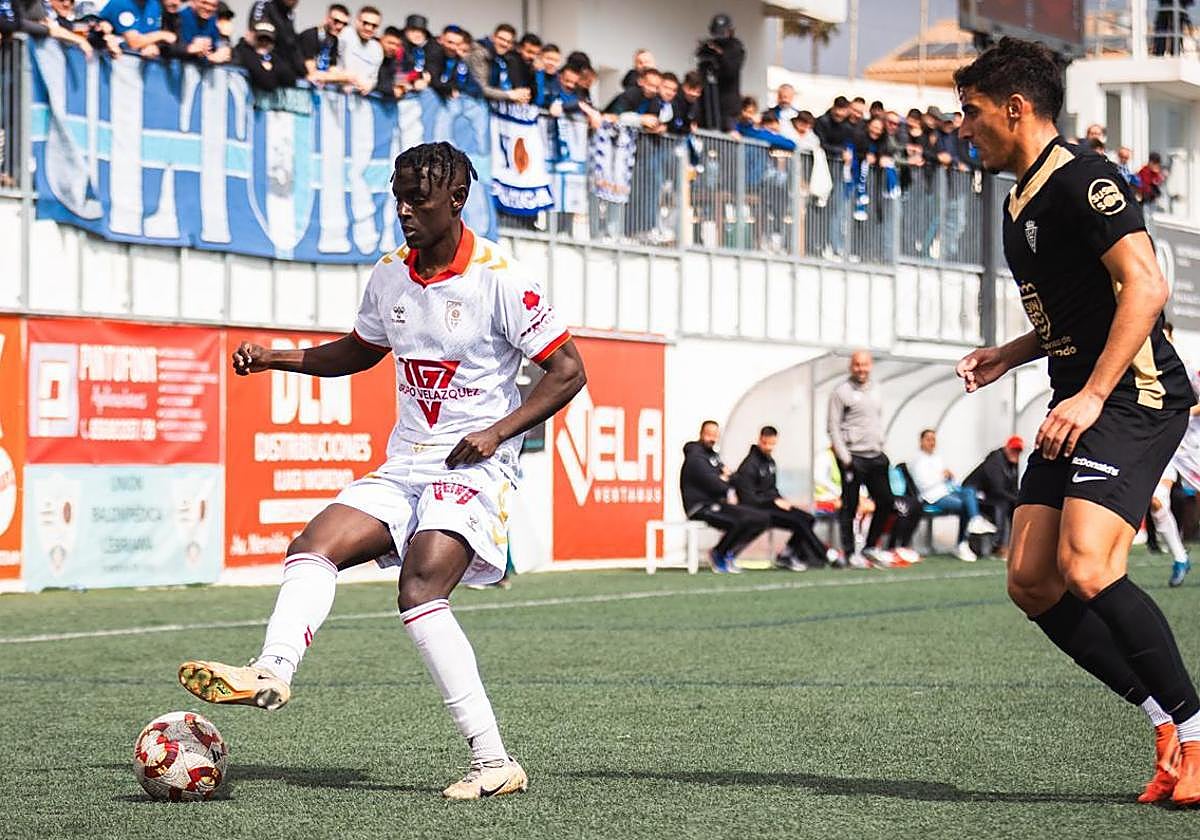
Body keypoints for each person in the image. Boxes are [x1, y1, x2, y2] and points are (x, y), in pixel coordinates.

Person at [178, 142, 586, 800]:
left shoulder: (501, 278)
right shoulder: (390, 274)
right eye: (397, 196)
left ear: (456, 200)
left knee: (420, 587)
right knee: (312, 545)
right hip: (407, 462)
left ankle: (493, 762)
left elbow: (569, 371)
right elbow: (360, 350)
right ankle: (271, 670)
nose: (405, 210)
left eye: (419, 199)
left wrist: (496, 433)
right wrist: (276, 357)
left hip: (473, 466)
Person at [954, 36, 1200, 805]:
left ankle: (1197, 734)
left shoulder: (1086, 178)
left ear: (1015, 109)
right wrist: (1011, 352)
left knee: (1090, 567)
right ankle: (1166, 719)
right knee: (1031, 580)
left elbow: (1145, 288)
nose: (966, 128)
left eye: (973, 113)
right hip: (1077, 395)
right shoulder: (1017, 199)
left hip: (1135, 394)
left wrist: (1092, 395)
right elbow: (1076, 310)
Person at [827, 350, 894, 567]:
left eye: (864, 365)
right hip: (853, 456)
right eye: (857, 365)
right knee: (850, 505)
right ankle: (849, 553)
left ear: (870, 365)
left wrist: (881, 444)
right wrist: (845, 458)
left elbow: (875, 420)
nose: (861, 369)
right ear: (851, 366)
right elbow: (833, 427)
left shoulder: (877, 389)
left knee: (886, 501)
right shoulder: (841, 392)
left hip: (875, 455)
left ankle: (871, 547)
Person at [733, 426, 833, 571]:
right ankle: (824, 554)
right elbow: (748, 499)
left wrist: (781, 500)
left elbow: (772, 489)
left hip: (771, 505)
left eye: (772, 444)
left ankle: (787, 554)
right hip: (758, 509)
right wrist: (772, 501)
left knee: (808, 518)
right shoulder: (749, 465)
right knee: (798, 521)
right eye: (766, 444)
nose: (769, 448)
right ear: (760, 440)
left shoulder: (770, 462)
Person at [680, 420, 770, 574]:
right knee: (741, 520)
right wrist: (724, 482)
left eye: (715, 435)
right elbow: (712, 482)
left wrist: (726, 478)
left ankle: (729, 553)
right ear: (701, 434)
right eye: (709, 435)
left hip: (716, 503)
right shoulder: (696, 457)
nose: (712, 439)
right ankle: (718, 553)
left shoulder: (713, 456)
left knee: (762, 518)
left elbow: (731, 477)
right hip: (700, 506)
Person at [908, 429, 997, 562]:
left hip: (946, 491)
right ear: (921, 441)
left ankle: (974, 521)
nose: (932, 442)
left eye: (933, 439)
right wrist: (941, 476)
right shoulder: (916, 460)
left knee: (970, 491)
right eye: (928, 439)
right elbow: (923, 484)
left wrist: (949, 477)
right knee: (965, 505)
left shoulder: (937, 458)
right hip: (931, 496)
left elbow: (947, 480)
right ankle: (962, 542)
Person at [963, 435, 1023, 556]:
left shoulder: (1012, 464)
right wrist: (1015, 499)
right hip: (977, 496)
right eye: (1013, 449)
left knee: (1016, 506)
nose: (1016, 453)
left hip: (993, 496)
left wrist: (1020, 499)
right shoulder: (995, 461)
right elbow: (997, 489)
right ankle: (999, 546)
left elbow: (1013, 488)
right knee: (1002, 505)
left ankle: (1016, 544)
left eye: (1018, 451)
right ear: (1007, 448)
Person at [696, 13, 744, 131]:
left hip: (727, 106)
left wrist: (719, 53)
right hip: (707, 103)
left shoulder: (735, 47)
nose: (720, 36)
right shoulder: (710, 46)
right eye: (717, 32)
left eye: (723, 32)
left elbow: (731, 70)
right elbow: (701, 62)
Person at [234, 20, 298, 91]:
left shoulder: (272, 56)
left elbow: (291, 79)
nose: (264, 43)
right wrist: (271, 71)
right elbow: (268, 83)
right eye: (260, 39)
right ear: (252, 36)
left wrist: (271, 68)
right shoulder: (243, 52)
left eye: (268, 40)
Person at [298, 4, 352, 84]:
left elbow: (332, 68)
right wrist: (344, 78)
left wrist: (346, 79)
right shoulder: (310, 35)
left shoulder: (334, 40)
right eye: (336, 21)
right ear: (327, 18)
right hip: (300, 84)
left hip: (318, 87)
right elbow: (313, 75)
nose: (340, 26)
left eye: (344, 24)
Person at [339, 6, 384, 95]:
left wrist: (370, 85)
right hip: (336, 93)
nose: (369, 28)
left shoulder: (377, 49)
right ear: (357, 21)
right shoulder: (345, 34)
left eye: (374, 26)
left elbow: (373, 78)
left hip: (360, 101)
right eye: (365, 23)